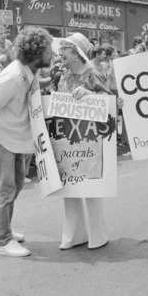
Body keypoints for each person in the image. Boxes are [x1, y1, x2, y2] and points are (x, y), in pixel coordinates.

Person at [0, 29, 53, 257]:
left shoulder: (29, 72)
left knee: (17, 185)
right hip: (3, 139)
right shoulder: (13, 76)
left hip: (17, 139)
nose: (52, 54)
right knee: (5, 190)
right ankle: (3, 240)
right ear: (37, 52)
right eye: (49, 50)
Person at [54, 32, 110, 250]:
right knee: (69, 189)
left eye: (64, 50)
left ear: (76, 52)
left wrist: (90, 96)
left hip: (89, 136)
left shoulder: (92, 74)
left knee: (91, 187)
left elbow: (111, 102)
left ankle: (98, 234)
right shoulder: (64, 76)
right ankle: (74, 234)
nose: (61, 55)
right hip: (67, 136)